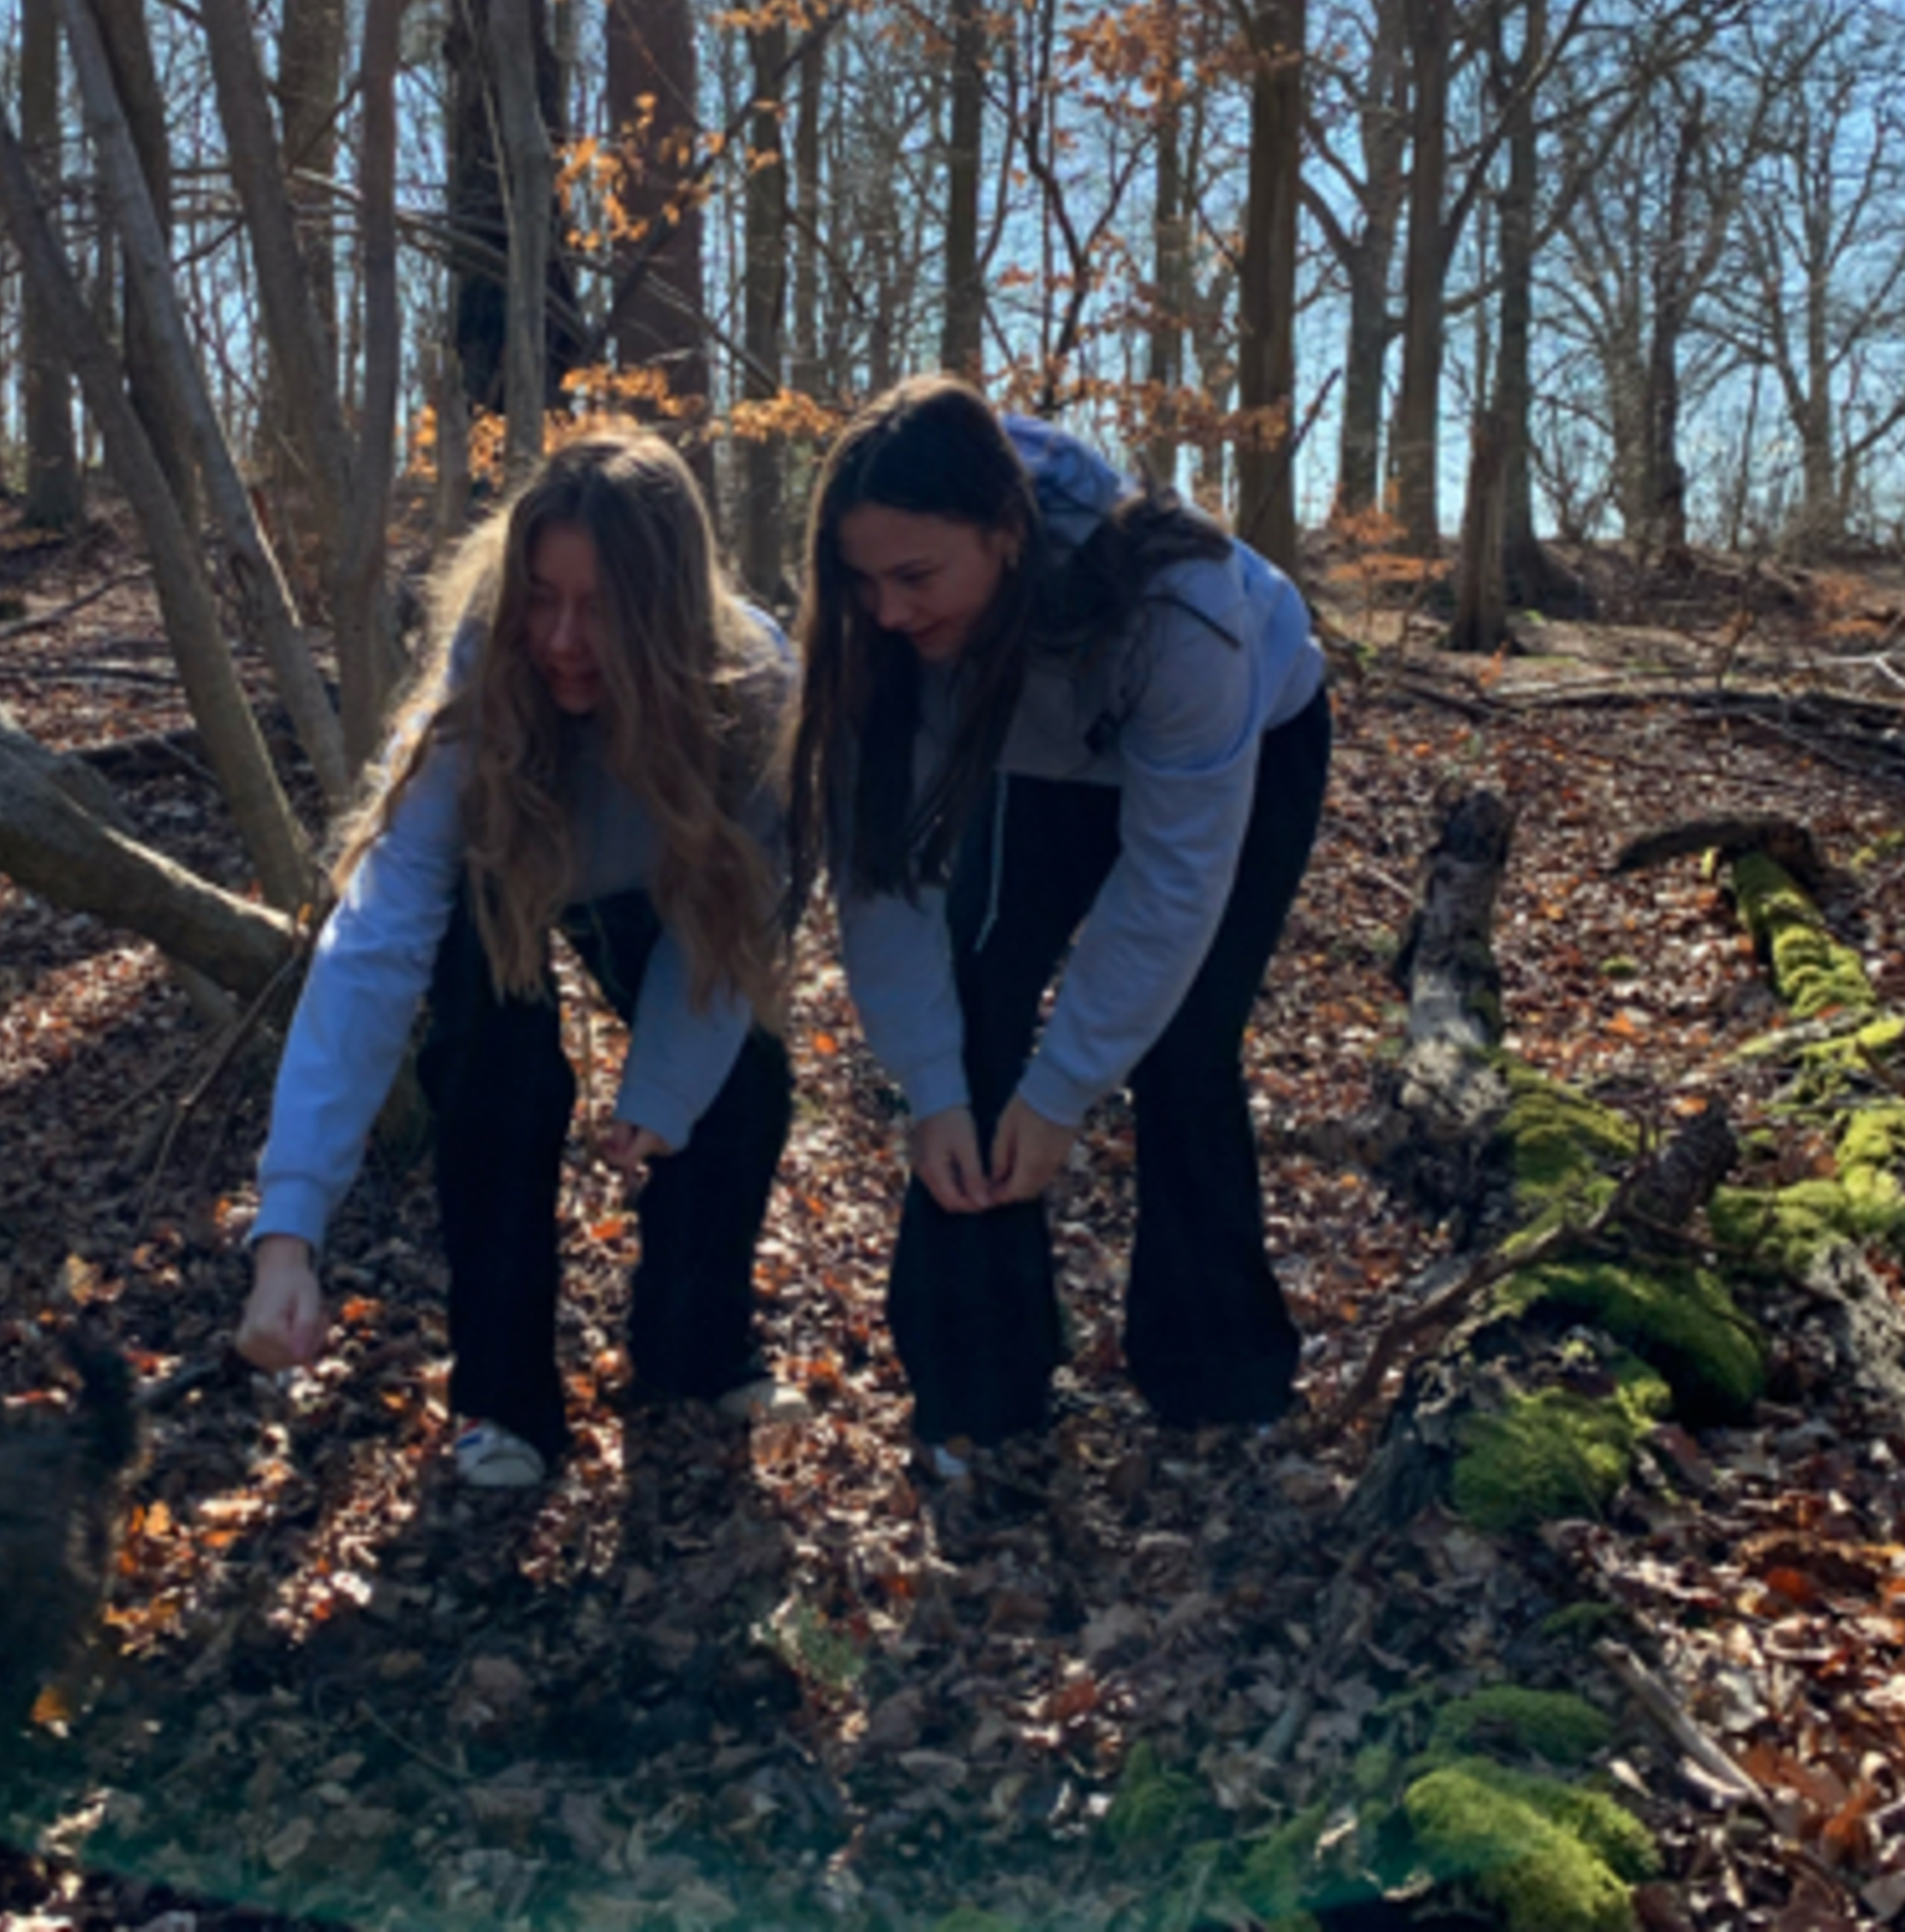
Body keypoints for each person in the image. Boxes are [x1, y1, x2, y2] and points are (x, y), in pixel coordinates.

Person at [236, 434, 798, 1488]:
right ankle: (504, 1402)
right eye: (541, 598)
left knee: (743, 1079)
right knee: (496, 1081)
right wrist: (288, 1230)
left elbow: (742, 925)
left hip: (676, 884)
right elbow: (372, 945)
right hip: (516, 862)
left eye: (603, 609)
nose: (565, 639)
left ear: (670, 612)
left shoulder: (758, 686)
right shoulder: (484, 677)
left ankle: (697, 1346)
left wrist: (665, 1089)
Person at [788, 378, 1329, 1473]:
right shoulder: (882, 636)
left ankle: (1217, 1378)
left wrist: (1064, 1089)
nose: (887, 609)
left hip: (1246, 740)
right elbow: (886, 883)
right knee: (976, 994)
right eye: (862, 579)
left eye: (915, 577)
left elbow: (1170, 886)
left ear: (1005, 534)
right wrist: (930, 1088)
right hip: (1027, 747)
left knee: (1182, 1045)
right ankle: (978, 1387)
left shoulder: (1186, 608)